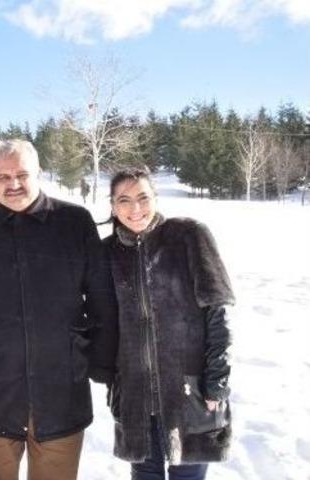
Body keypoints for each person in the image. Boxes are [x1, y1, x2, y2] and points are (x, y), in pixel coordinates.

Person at [0, 139, 118, 480]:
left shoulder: (74, 222)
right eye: (3, 176)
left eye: (22, 174)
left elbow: (101, 300)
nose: (14, 184)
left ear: (39, 174)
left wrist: (98, 361)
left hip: (61, 386)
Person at [103, 168, 233, 480]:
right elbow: (102, 325)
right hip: (135, 399)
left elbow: (217, 313)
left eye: (143, 198)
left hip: (189, 395)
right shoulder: (106, 253)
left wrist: (216, 381)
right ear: (112, 205)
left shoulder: (189, 236)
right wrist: (113, 385)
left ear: (156, 198)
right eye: (124, 200)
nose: (135, 208)